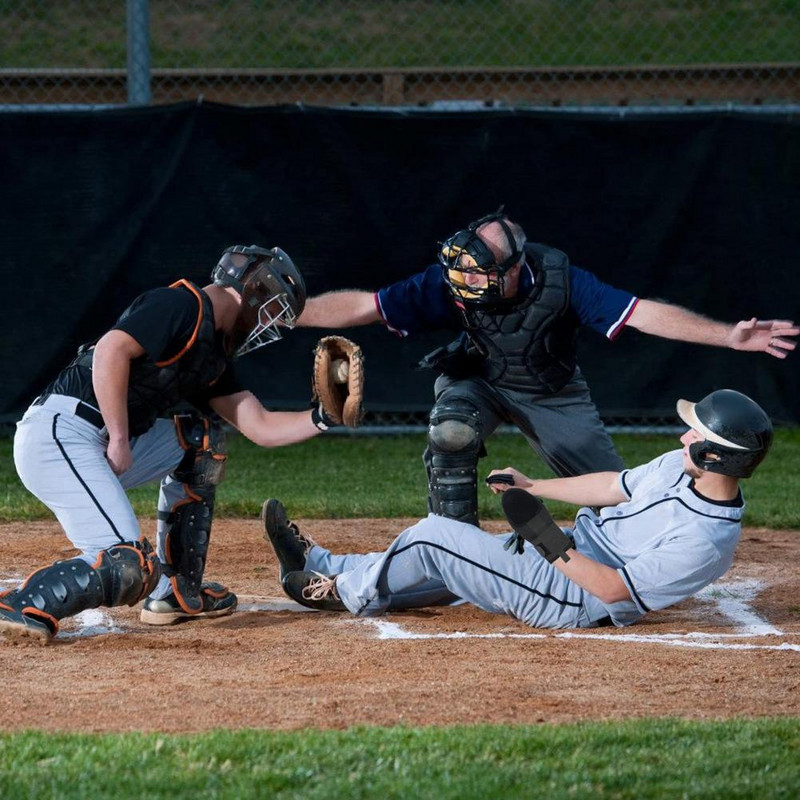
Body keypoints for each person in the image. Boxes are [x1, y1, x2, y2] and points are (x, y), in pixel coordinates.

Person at [297, 209, 796, 526]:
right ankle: (452, 545)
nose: (464, 279)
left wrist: (728, 335)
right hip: (479, 378)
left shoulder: (563, 280)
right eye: (460, 269)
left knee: (617, 503)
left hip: (551, 391)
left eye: (478, 271)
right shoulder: (448, 282)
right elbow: (368, 305)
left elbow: (642, 313)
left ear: (514, 268)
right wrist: (291, 314)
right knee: (450, 432)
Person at [0, 244, 348, 643]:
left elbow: (260, 425)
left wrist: (324, 418)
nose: (268, 325)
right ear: (253, 291)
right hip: (61, 433)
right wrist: (118, 437)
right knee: (127, 565)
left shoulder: (212, 355)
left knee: (201, 443)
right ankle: (19, 603)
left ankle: (176, 593)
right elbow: (112, 349)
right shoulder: (180, 305)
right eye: (271, 310)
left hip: (95, 441)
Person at [262, 389, 772, 629]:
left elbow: (616, 592)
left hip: (571, 597)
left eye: (696, 434)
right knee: (457, 565)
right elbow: (613, 486)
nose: (684, 435)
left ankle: (342, 594)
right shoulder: (680, 466)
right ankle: (324, 564)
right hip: (568, 553)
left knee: (434, 535)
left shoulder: (707, 543)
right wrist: (536, 485)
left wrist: (546, 538)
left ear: (714, 455)